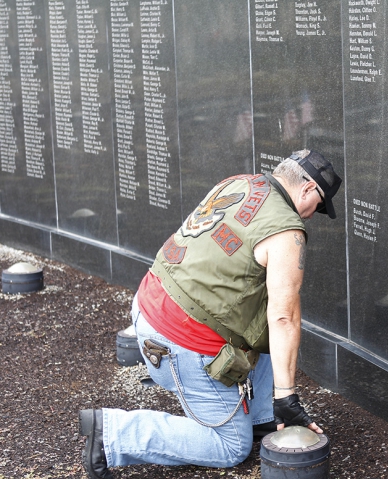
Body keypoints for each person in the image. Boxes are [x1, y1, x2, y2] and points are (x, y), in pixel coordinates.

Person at [78, 150, 341, 479]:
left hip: (147, 307)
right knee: (230, 447)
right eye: (318, 205)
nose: (313, 214)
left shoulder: (240, 182)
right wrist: (287, 396)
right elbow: (284, 318)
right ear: (308, 190)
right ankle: (112, 435)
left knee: (258, 314)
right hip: (178, 342)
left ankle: (261, 417)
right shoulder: (287, 232)